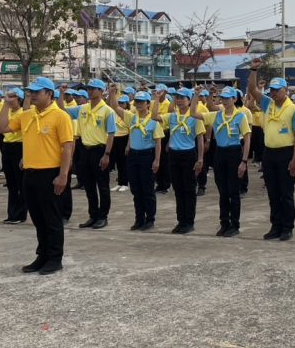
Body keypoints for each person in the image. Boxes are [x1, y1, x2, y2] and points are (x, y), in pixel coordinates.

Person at [0, 77, 74, 275]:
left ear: (49, 94)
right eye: (31, 92)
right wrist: (5, 104)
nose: (32, 95)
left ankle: (55, 258)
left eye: (37, 92)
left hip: (50, 173)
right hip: (30, 173)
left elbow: (67, 146)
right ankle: (43, 255)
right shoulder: (27, 115)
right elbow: (2, 128)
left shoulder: (60, 116)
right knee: (38, 219)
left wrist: (63, 175)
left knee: (52, 219)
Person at [247, 61, 295, 241]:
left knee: (286, 193)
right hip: (269, 153)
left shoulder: (293, 109)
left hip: (286, 153)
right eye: (271, 90)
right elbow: (252, 89)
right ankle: (276, 225)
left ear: (285, 90)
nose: (273, 93)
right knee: (273, 193)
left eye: (277, 90)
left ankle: (287, 227)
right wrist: (254, 70)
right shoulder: (268, 104)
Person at [195, 86, 251, 236]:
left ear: (234, 99)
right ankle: (224, 223)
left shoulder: (240, 116)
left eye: (227, 98)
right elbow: (194, 113)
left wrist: (244, 161)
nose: (224, 101)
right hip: (220, 153)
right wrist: (196, 95)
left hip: (234, 153)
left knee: (233, 191)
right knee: (223, 191)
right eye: (223, 98)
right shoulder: (216, 115)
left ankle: (235, 225)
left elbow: (247, 139)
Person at [61, 79, 116, 229]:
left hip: (100, 150)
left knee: (102, 186)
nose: (90, 91)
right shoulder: (82, 108)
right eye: (89, 88)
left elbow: (111, 134)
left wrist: (107, 154)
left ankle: (103, 216)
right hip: (85, 149)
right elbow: (63, 111)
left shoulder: (107, 111)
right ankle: (93, 215)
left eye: (93, 88)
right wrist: (61, 94)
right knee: (89, 186)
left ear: (101, 91)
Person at [119, 90, 162, 231]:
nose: (138, 104)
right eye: (136, 101)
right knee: (136, 190)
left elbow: (158, 142)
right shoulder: (132, 118)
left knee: (147, 190)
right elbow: (115, 108)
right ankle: (139, 219)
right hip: (133, 156)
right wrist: (112, 93)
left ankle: (150, 219)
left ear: (148, 104)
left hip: (147, 156)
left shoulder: (154, 120)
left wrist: (157, 160)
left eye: (141, 102)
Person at [165, 87, 205, 234]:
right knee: (178, 189)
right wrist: (157, 98)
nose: (179, 100)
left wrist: (200, 159)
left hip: (188, 155)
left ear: (189, 101)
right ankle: (181, 220)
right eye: (177, 97)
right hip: (174, 155)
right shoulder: (173, 116)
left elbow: (200, 138)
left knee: (189, 190)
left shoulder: (195, 117)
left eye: (183, 98)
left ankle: (189, 221)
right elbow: (155, 116)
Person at [0, 88, 27, 224]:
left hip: (19, 147)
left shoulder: (23, 113)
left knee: (19, 183)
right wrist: (5, 104)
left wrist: (25, 155)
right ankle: (12, 213)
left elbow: (26, 135)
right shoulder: (7, 111)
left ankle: (20, 214)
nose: (10, 99)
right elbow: (0, 128)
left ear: (19, 99)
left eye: (13, 96)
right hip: (7, 146)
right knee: (11, 183)